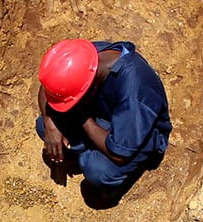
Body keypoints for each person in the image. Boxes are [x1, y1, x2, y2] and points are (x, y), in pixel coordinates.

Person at [36, 39, 172, 200]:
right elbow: (48, 89)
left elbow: (118, 154)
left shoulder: (135, 91)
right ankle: (85, 150)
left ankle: (113, 177)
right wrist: (50, 122)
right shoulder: (85, 59)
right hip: (103, 112)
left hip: (137, 129)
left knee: (97, 170)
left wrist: (81, 115)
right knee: (43, 126)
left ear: (92, 88)